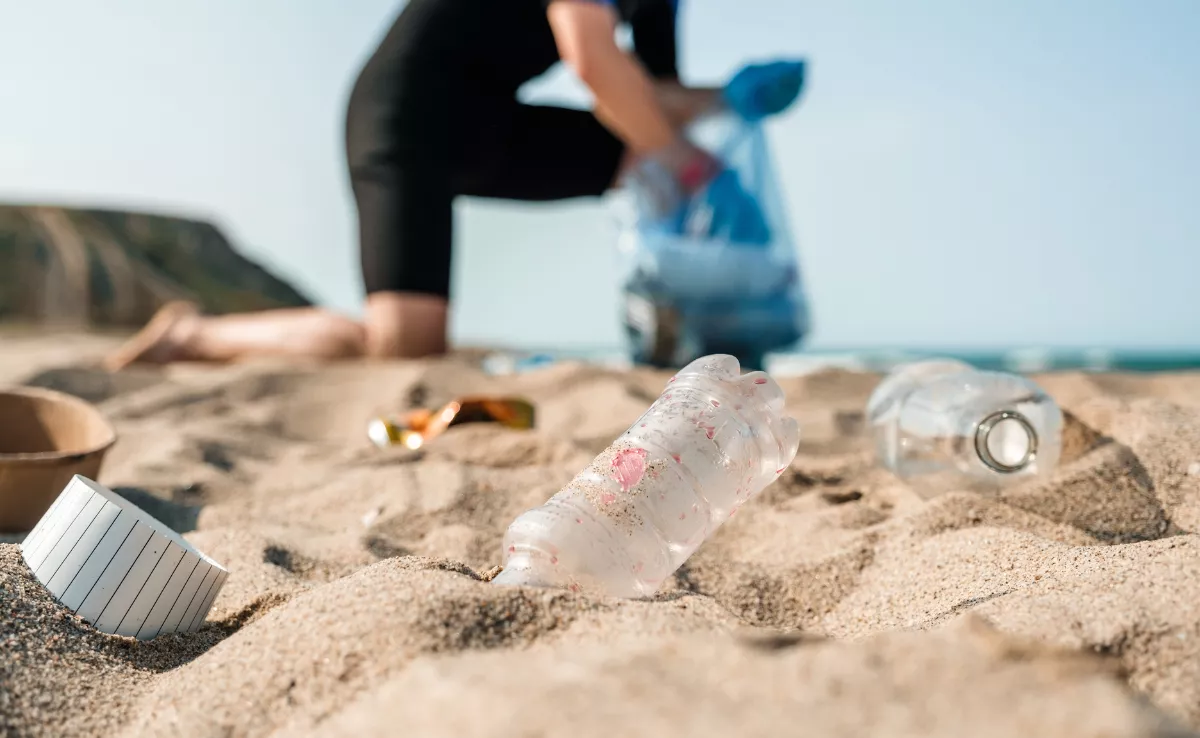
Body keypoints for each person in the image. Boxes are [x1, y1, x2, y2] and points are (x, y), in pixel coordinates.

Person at [104, 0, 805, 371]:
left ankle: (689, 344)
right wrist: (683, 160)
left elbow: (648, 103)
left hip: (488, 122)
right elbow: (591, 59)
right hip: (402, 120)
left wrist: (731, 97)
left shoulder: (660, 5)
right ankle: (197, 336)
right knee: (404, 348)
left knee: (657, 160)